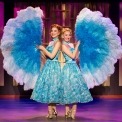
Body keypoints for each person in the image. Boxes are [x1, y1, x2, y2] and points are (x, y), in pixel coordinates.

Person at [60, 27, 93, 119]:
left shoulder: (71, 44)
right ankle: (67, 111)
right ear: (62, 36)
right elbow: (72, 55)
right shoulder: (62, 45)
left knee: (75, 89)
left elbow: (75, 57)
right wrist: (77, 45)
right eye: (66, 35)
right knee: (67, 89)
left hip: (74, 67)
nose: (68, 37)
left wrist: (80, 50)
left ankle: (73, 110)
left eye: (69, 35)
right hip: (67, 68)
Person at [31, 24, 62, 119]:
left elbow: (52, 56)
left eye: (55, 31)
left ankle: (51, 111)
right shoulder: (51, 42)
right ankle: (52, 109)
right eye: (52, 31)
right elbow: (47, 56)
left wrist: (43, 48)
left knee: (52, 88)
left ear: (59, 32)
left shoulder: (58, 43)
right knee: (49, 88)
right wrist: (39, 51)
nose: (52, 32)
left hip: (54, 67)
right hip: (48, 66)